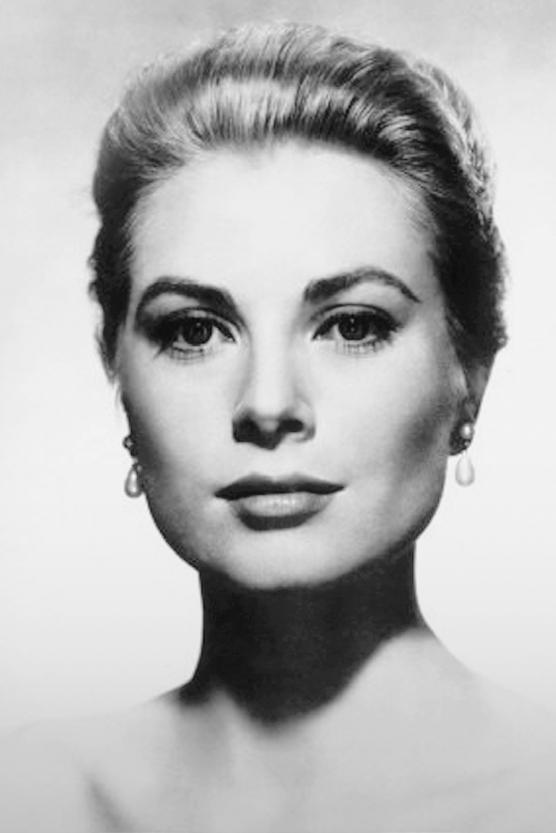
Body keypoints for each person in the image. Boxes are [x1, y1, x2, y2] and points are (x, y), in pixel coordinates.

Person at [2, 20, 556, 833]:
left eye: (353, 324)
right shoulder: (31, 797)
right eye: (194, 330)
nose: (267, 403)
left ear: (470, 371)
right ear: (117, 372)